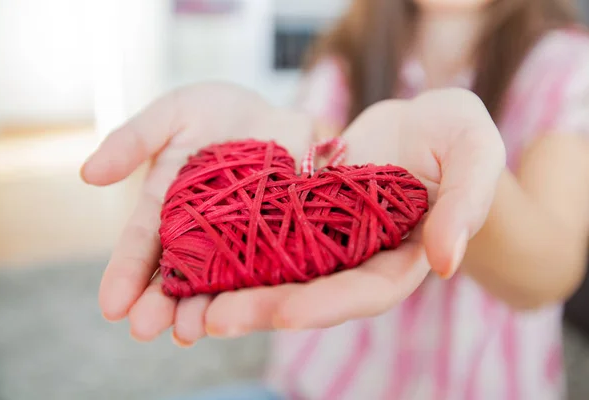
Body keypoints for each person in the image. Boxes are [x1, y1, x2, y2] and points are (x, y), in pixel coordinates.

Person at [81, 0, 589, 399]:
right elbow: (310, 158)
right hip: (319, 385)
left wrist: (466, 186)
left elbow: (551, 272)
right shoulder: (346, 53)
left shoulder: (567, 68)